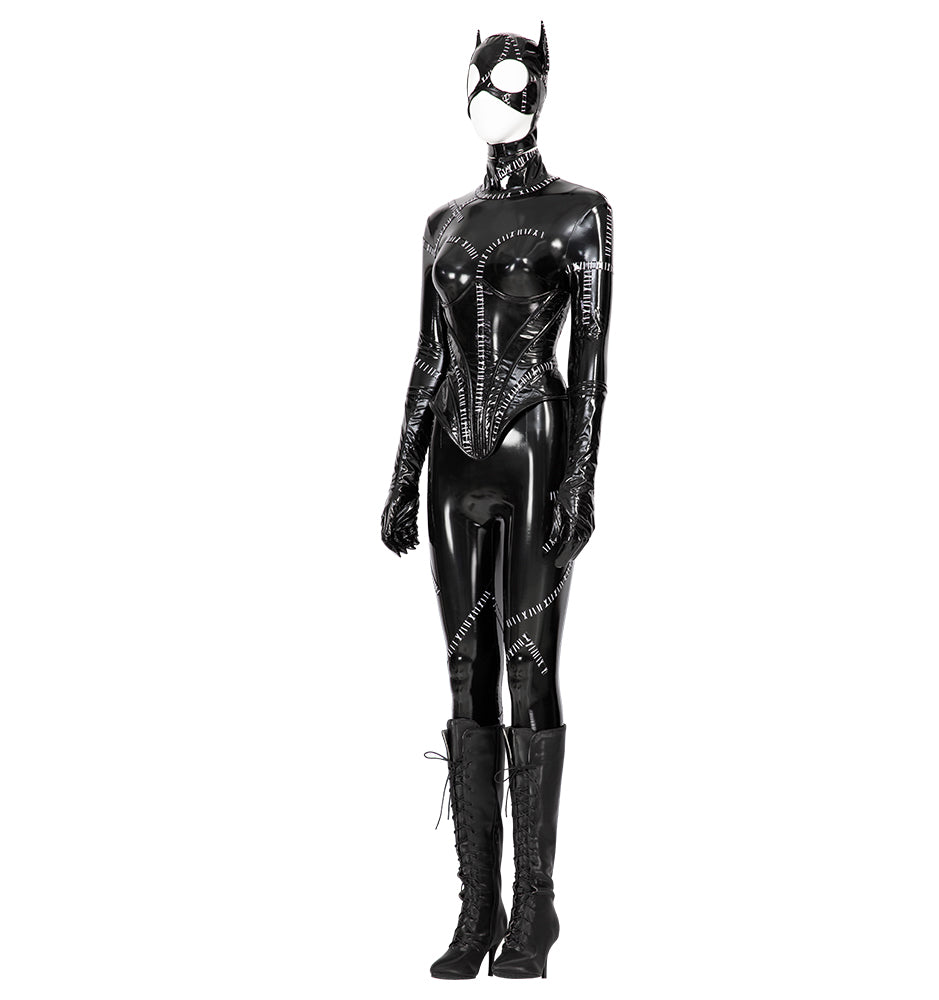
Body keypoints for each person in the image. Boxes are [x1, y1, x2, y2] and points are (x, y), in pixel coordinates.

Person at [380, 23, 613, 980]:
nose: (491, 91)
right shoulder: (444, 222)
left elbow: (591, 363)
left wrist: (581, 480)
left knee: (529, 665)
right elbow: (428, 356)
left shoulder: (582, 213)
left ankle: (536, 909)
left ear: (540, 87)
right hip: (453, 459)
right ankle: (477, 907)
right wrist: (401, 474)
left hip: (533, 446)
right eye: (479, 75)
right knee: (462, 670)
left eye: (510, 76)